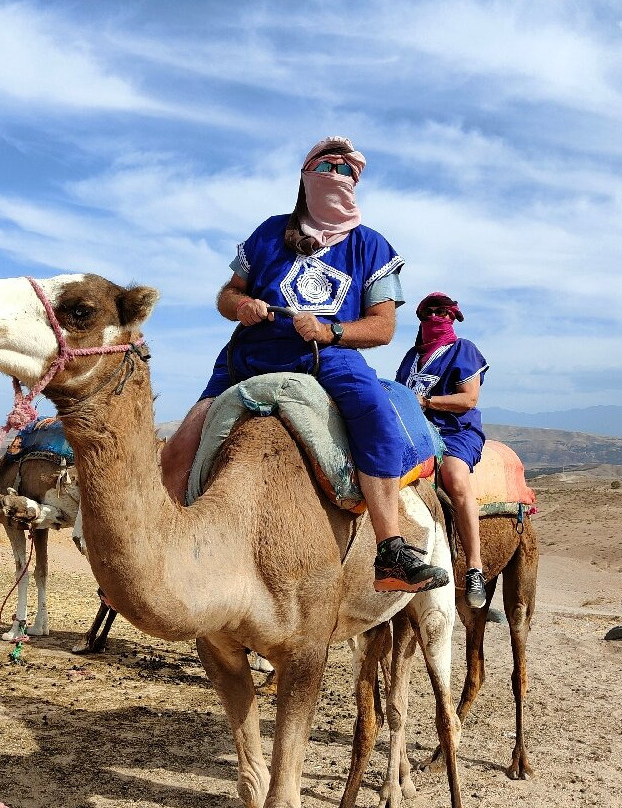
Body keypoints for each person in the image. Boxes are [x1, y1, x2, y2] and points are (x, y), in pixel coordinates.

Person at [162, 135, 449, 594]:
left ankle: (391, 548)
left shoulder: (370, 246)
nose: (336, 174)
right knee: (179, 446)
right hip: (250, 354)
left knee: (376, 414)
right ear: (306, 174)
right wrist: (241, 305)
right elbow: (225, 295)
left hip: (329, 356)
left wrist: (331, 331)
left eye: (346, 169)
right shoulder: (269, 232)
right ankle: (164, 551)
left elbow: (382, 328)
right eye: (327, 165)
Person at [395, 293, 489, 608]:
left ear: (453, 318)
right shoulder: (411, 357)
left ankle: (474, 566)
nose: (436, 317)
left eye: (443, 313)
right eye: (429, 313)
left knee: (454, 475)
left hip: (455, 431)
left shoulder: (464, 350)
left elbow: (468, 400)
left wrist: (428, 402)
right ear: (420, 320)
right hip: (416, 432)